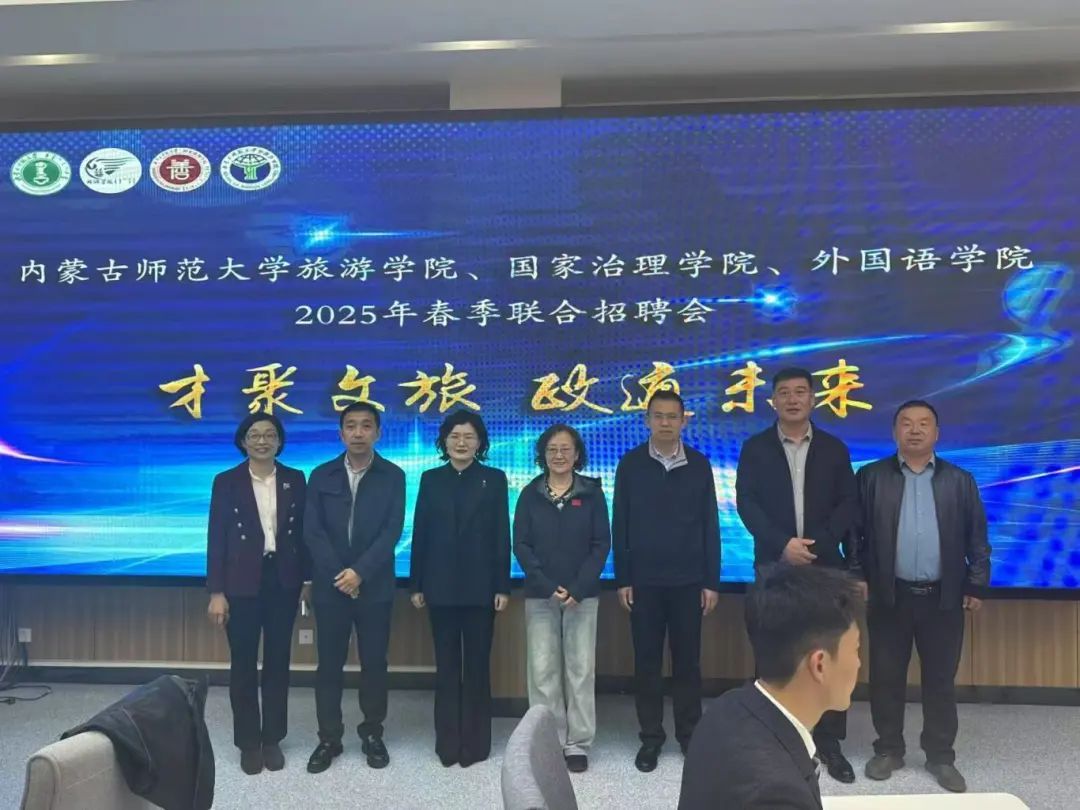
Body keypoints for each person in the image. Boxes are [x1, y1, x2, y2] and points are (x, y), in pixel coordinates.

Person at [856, 399, 991, 793]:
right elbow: (855, 534)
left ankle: (940, 756)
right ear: (894, 431)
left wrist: (976, 583)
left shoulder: (959, 480)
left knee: (940, 680)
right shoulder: (870, 477)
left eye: (923, 424)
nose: (914, 430)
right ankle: (888, 749)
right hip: (889, 595)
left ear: (937, 433)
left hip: (942, 597)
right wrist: (856, 576)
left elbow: (977, 537)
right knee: (886, 677)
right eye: (906, 423)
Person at [735, 367, 860, 783]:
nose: (792, 399)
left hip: (825, 567)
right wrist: (782, 544)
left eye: (800, 392)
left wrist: (817, 545)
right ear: (773, 401)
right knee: (775, 652)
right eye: (784, 393)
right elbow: (747, 503)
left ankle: (829, 743)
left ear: (812, 399)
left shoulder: (834, 449)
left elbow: (848, 503)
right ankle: (774, 739)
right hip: (775, 565)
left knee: (828, 652)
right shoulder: (755, 449)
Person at [679, 564, 863, 810]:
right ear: (819, 664)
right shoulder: (778, 795)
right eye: (856, 649)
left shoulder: (724, 707)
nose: (859, 663)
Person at [612, 390, 721, 772]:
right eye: (658, 416)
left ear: (683, 421)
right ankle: (651, 738)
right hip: (644, 582)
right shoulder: (630, 464)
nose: (665, 422)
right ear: (647, 420)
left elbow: (710, 524)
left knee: (688, 663)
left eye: (672, 416)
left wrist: (711, 581)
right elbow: (620, 523)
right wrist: (623, 578)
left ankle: (690, 736)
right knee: (647, 663)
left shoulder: (700, 465)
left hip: (689, 581)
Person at [303, 402, 405, 773]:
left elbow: (391, 531)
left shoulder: (393, 476)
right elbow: (312, 531)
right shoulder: (321, 475)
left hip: (375, 586)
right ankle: (329, 737)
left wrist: (359, 573)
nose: (358, 433)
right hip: (331, 587)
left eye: (366, 426)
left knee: (374, 663)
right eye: (351, 426)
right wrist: (341, 575)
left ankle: (372, 733)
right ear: (341, 433)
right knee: (329, 664)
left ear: (378, 432)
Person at [206, 412, 308, 775]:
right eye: (254, 435)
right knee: (244, 664)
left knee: (279, 662)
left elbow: (304, 536)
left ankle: (272, 738)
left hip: (283, 581)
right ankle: (248, 742)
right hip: (240, 583)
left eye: (269, 434)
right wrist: (216, 592)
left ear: (279, 441)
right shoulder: (226, 481)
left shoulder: (295, 479)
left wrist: (307, 583)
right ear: (243, 441)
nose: (262, 441)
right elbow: (217, 539)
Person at [410, 410, 510, 767]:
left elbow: (501, 534)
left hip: (482, 589)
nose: (461, 443)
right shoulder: (431, 479)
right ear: (444, 441)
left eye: (469, 436)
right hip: (439, 587)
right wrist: (416, 583)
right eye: (455, 436)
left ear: (480, 442)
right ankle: (448, 742)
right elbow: (421, 532)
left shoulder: (494, 479)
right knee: (447, 666)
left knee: (477, 667)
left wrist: (502, 585)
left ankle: (476, 744)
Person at [513, 423, 610, 773]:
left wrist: (578, 588)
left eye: (565, 449)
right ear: (543, 454)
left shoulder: (593, 494)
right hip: (540, 596)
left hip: (583, 596)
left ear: (577, 453)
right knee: (542, 672)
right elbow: (521, 545)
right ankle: (549, 742)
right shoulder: (529, 494)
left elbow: (601, 545)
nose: (559, 455)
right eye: (552, 449)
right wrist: (545, 584)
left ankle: (578, 743)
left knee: (581, 670)